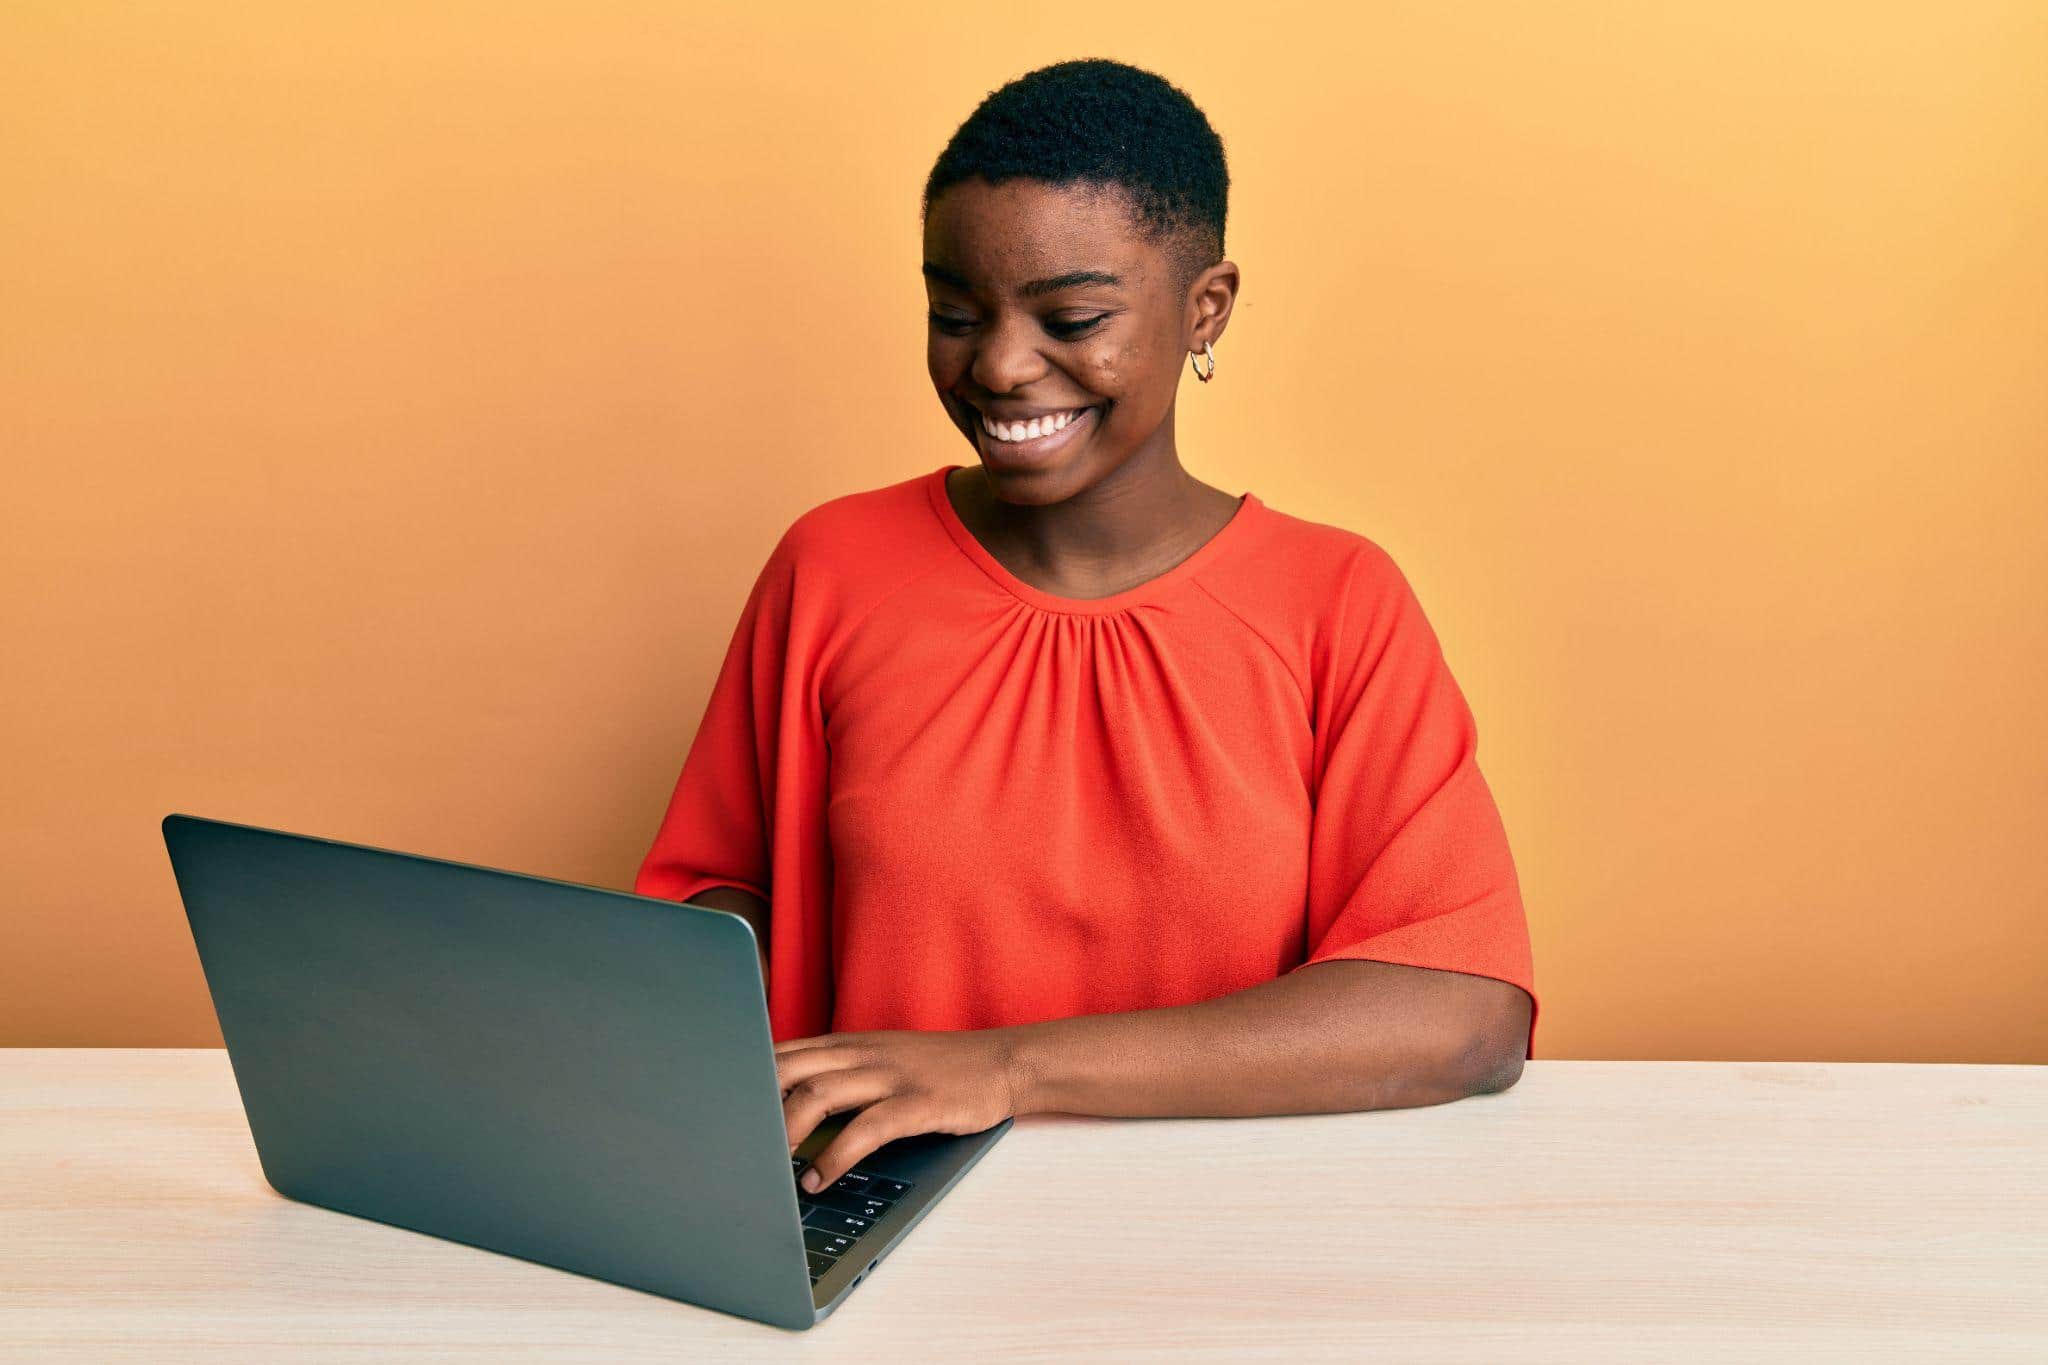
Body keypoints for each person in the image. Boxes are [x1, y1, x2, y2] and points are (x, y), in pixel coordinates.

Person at [634, 58, 1538, 1195]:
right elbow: (709, 911)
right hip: (870, 1216)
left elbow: (1461, 1011)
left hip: (1237, 1228)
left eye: (1070, 317)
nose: (1000, 367)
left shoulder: (1335, 602)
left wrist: (1006, 1068)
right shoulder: (831, 569)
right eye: (954, 314)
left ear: (1203, 307)